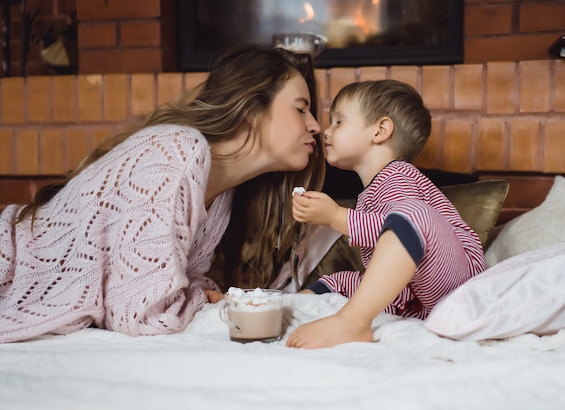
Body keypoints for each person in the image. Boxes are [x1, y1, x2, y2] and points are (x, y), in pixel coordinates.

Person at [0, 44, 326, 343]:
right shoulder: (176, 152)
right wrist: (207, 297)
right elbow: (141, 314)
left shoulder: (221, 194)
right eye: (301, 109)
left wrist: (205, 293)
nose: (316, 126)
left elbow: (172, 281)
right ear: (251, 109)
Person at [286, 80, 486, 349]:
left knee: (411, 214)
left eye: (338, 122)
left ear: (380, 130)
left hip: (456, 287)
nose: (326, 131)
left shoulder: (398, 175)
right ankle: (282, 304)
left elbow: (397, 226)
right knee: (340, 279)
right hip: (417, 299)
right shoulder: (369, 192)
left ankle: (352, 322)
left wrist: (335, 216)